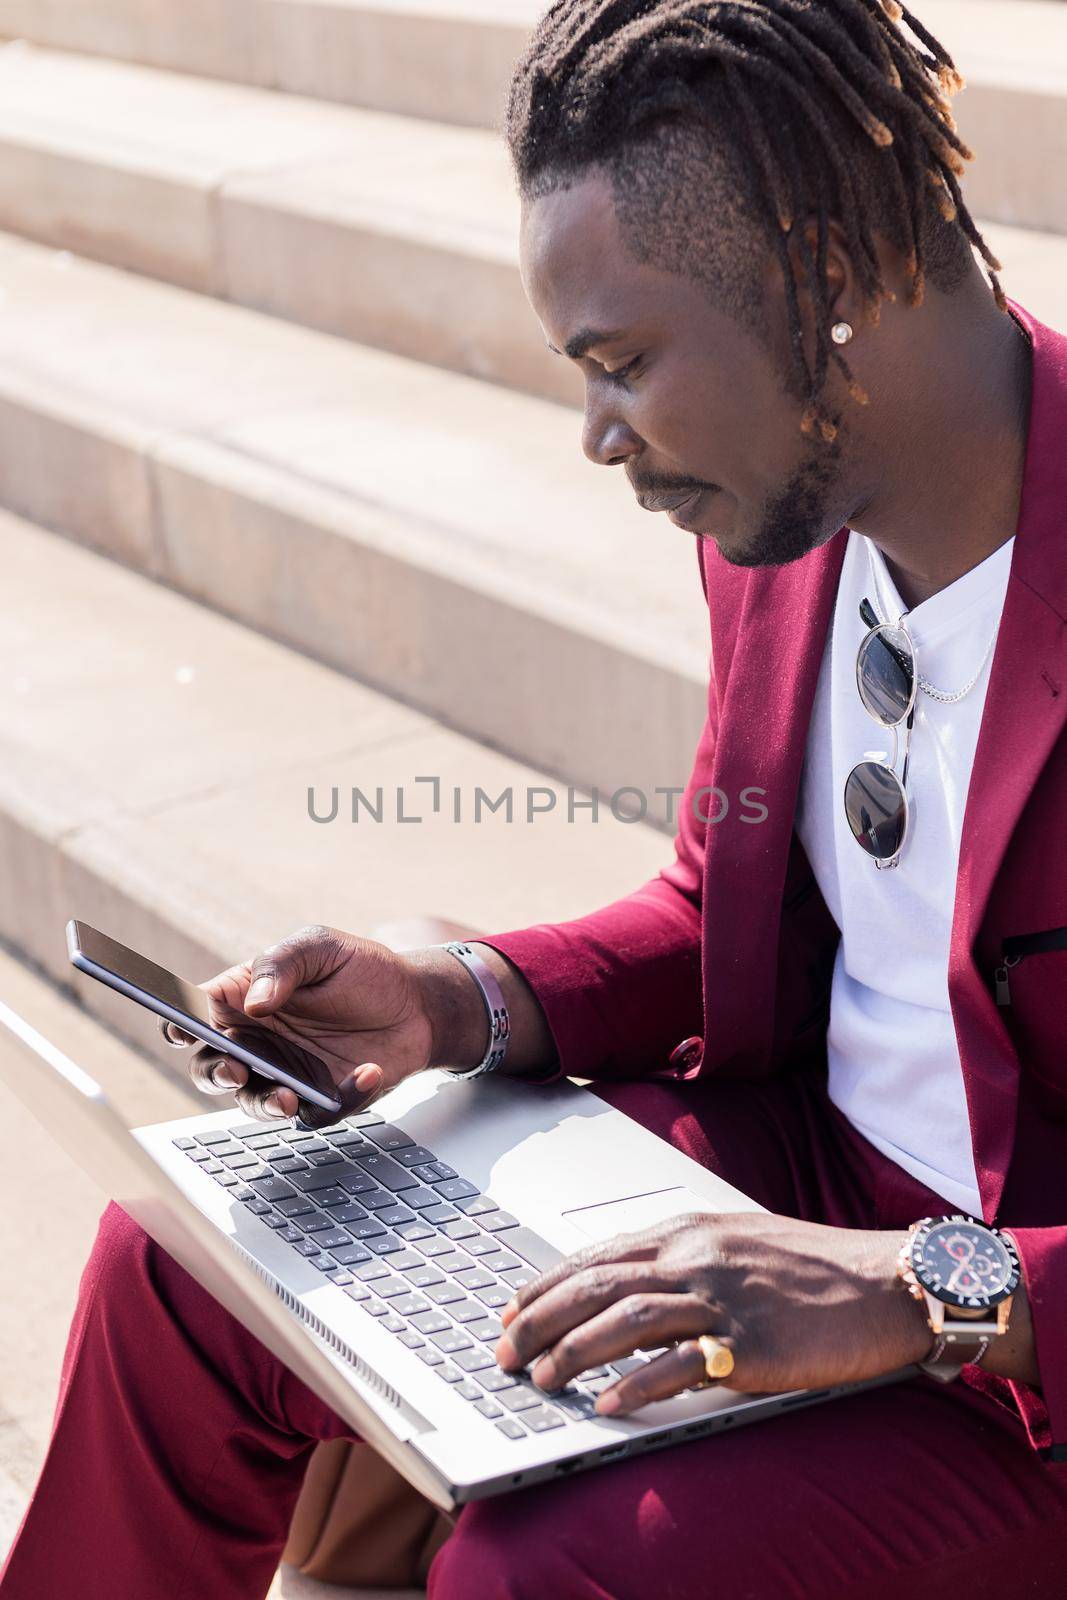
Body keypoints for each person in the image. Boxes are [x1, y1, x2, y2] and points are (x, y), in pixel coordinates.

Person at [5, 1, 1067, 1595]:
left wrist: (921, 1290)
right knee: (190, 1268)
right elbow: (732, 907)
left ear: (821, 275)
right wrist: (457, 1002)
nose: (596, 434)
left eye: (624, 363)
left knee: (546, 1566)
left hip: (1018, 1364)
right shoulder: (781, 518)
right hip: (793, 1174)